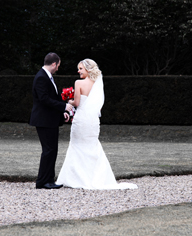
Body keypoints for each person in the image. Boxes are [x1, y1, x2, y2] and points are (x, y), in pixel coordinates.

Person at [56, 59, 138, 190]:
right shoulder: (97, 84)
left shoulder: (79, 83)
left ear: (88, 70)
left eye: (81, 68)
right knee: (92, 146)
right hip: (93, 121)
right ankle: (95, 177)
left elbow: (77, 103)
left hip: (81, 119)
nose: (78, 71)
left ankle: (75, 178)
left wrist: (68, 101)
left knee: (77, 146)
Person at [29, 52, 73, 189]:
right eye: (58, 65)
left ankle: (49, 180)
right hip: (44, 121)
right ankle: (42, 182)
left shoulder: (47, 77)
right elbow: (44, 100)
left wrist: (62, 113)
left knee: (52, 150)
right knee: (48, 150)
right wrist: (64, 106)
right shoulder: (41, 77)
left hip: (49, 120)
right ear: (53, 64)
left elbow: (52, 98)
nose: (58, 68)